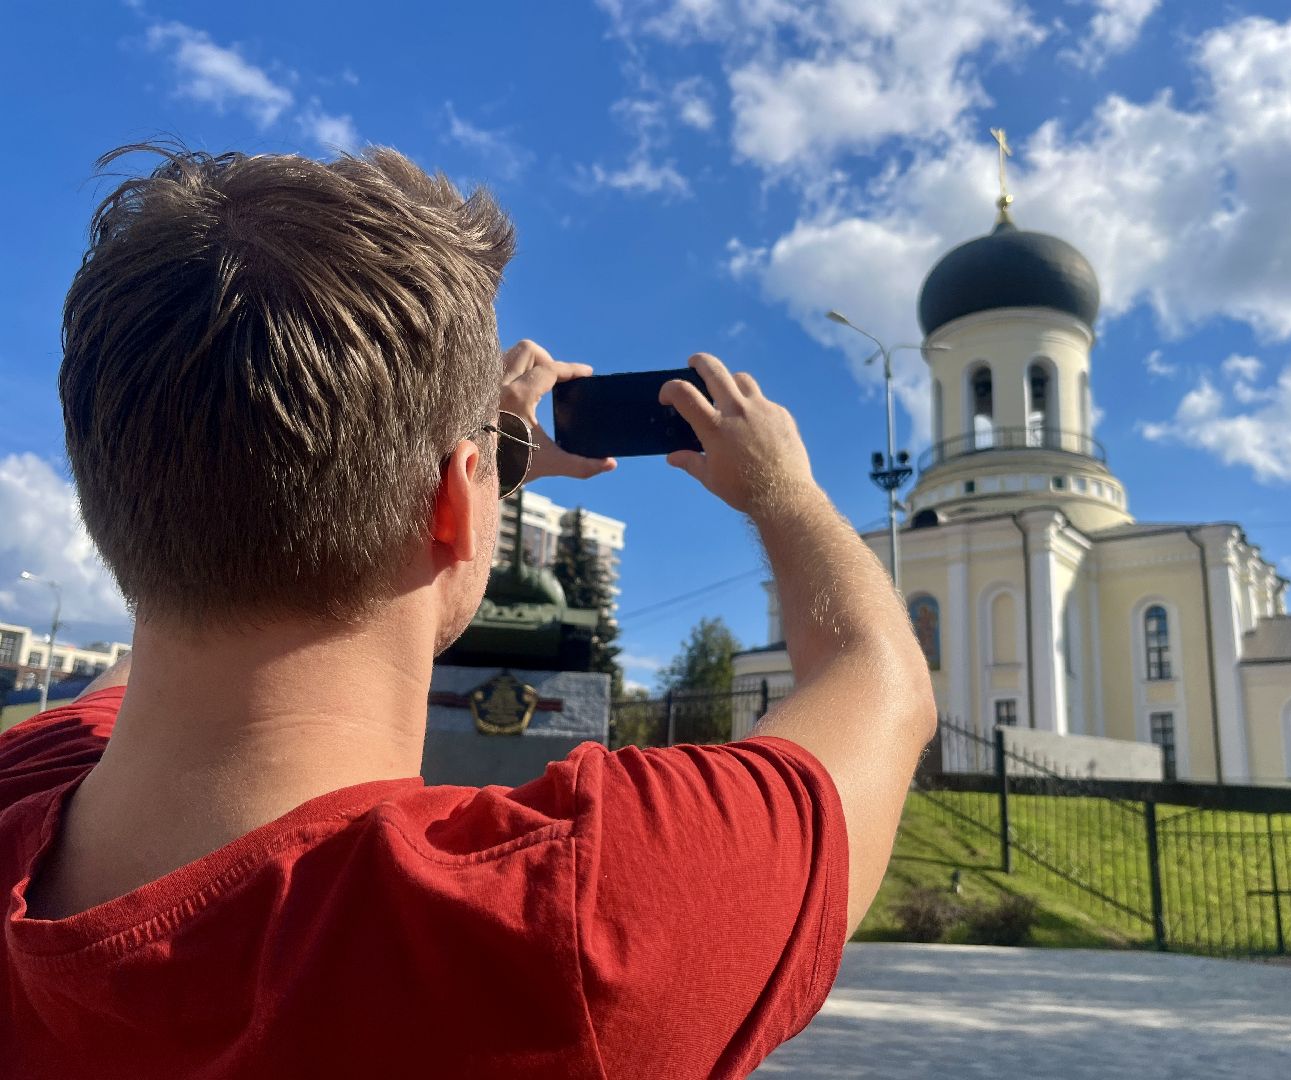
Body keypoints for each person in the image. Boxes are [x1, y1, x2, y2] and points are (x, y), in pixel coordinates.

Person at [0, 145, 936, 1079]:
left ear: (108, 492)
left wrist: (466, 451)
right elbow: (881, 685)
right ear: (455, 502)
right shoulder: (564, 919)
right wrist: (785, 490)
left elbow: (173, 573)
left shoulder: (23, 776)